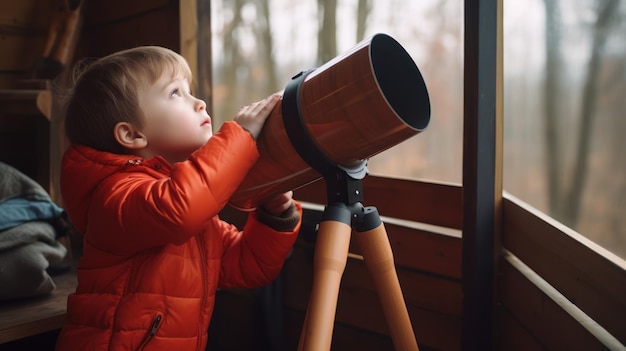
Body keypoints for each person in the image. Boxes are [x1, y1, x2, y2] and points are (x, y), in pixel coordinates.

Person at [54, 46, 302, 350]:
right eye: (175, 93)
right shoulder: (115, 198)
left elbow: (247, 266)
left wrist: (275, 216)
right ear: (132, 136)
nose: (199, 103)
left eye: (191, 90)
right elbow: (178, 209)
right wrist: (240, 137)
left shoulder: (190, 205)